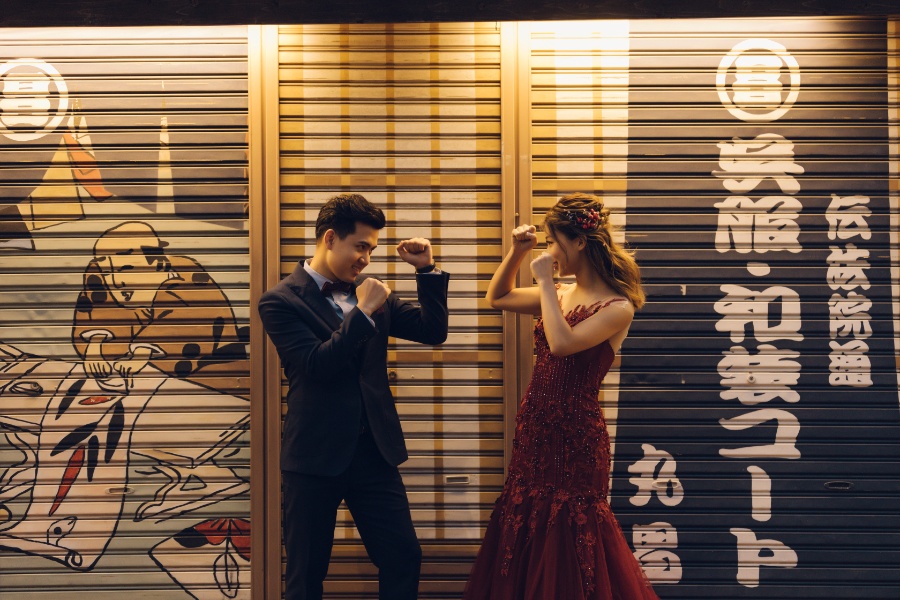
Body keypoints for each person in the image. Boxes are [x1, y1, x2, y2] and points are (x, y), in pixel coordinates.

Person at [463, 192, 658, 599]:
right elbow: (496, 297)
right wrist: (517, 252)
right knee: (527, 519)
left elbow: (563, 344)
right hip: (535, 427)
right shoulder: (563, 294)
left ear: (578, 243)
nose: (549, 250)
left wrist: (547, 283)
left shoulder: (618, 306)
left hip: (576, 436)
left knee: (571, 528)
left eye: (553, 241)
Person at [258, 193, 450, 600]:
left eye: (372, 249)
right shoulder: (280, 301)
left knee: (403, 557)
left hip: (373, 453)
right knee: (306, 576)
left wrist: (427, 270)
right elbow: (315, 366)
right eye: (360, 246)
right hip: (313, 457)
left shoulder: (371, 293)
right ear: (330, 238)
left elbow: (433, 331)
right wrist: (361, 315)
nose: (366, 259)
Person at [72, 221, 247, 390]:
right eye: (108, 273)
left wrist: (142, 353)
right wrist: (94, 346)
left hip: (212, 382)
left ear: (155, 261)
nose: (116, 282)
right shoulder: (119, 288)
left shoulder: (189, 280)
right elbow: (99, 304)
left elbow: (189, 321)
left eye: (125, 269)